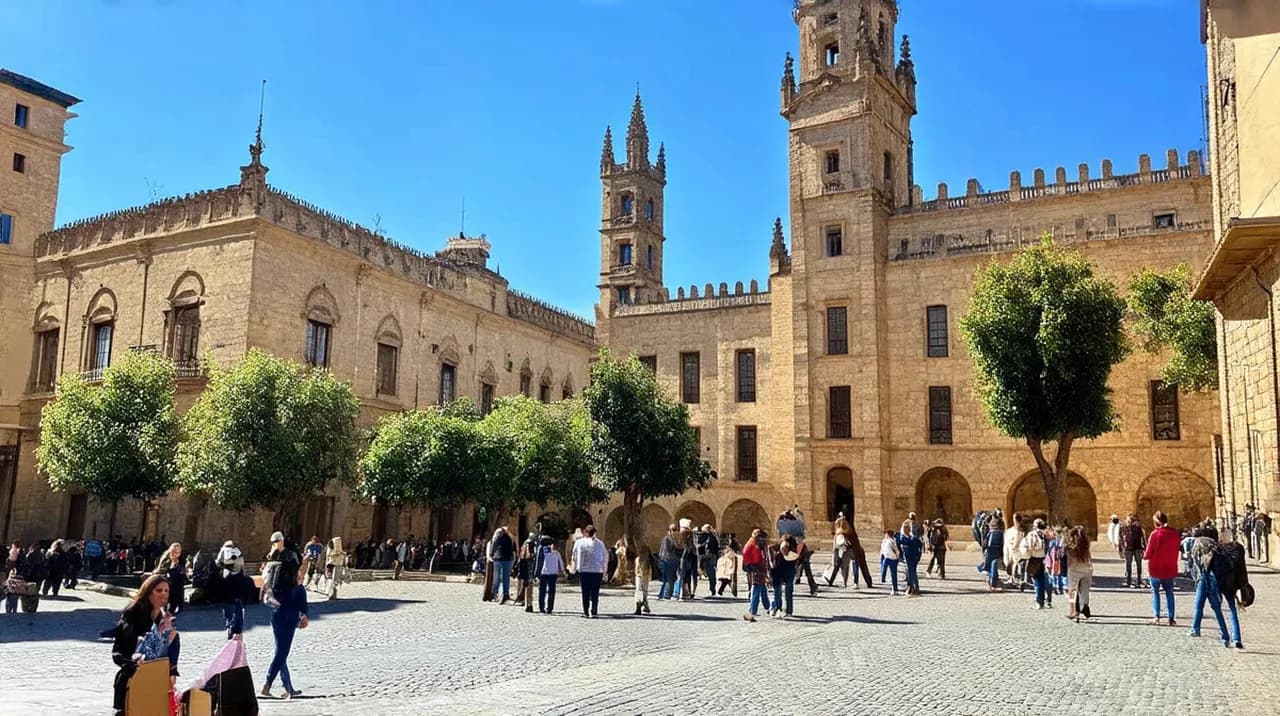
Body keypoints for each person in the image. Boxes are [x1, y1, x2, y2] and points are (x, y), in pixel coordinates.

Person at [111, 574, 180, 716]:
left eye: (166, 591)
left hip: (156, 678)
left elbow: (170, 646)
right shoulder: (133, 613)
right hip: (133, 678)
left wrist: (172, 671)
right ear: (148, 593)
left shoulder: (164, 617)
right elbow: (118, 651)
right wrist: (133, 665)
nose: (164, 594)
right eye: (159, 590)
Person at [262, 532, 308, 699]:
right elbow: (301, 602)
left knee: (280, 651)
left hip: (275, 613)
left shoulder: (275, 570)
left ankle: (288, 688)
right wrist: (304, 616)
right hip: (289, 617)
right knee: (282, 653)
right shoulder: (296, 584)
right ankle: (267, 685)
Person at [1144, 510, 1181, 626]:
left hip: (1155, 567)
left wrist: (1145, 556)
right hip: (1169, 567)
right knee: (1169, 592)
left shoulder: (1155, 534)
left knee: (1155, 592)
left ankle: (1156, 616)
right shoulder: (1174, 533)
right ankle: (1171, 618)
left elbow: (1148, 553)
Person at [215, 541, 254, 640]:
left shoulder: (238, 562)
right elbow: (218, 565)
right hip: (229, 598)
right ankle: (233, 637)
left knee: (236, 621)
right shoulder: (223, 568)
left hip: (236, 597)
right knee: (231, 620)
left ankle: (235, 637)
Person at [572, 525, 607, 618]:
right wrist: (604, 570)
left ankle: (586, 611)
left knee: (585, 591)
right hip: (597, 570)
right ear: (594, 533)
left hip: (584, 570)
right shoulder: (600, 543)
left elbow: (574, 555)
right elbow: (605, 557)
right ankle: (594, 610)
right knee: (595, 591)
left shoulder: (579, 542)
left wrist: (575, 566)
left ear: (585, 532)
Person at [1020, 518, 1050, 609]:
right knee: (1042, 580)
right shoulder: (1046, 534)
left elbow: (1029, 546)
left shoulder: (1033, 534)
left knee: (1037, 581)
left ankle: (1039, 602)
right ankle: (1045, 600)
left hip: (1034, 559)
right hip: (1043, 558)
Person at [1063, 525, 1092, 622]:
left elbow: (1064, 555)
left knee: (1073, 592)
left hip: (1074, 570)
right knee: (1084, 590)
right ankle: (1084, 605)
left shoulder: (1070, 546)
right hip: (1086, 569)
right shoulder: (1086, 545)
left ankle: (1074, 612)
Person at [741, 529, 771, 622]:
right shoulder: (755, 544)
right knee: (756, 590)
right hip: (756, 569)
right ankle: (752, 610)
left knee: (763, 589)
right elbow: (753, 556)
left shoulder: (756, 544)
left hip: (758, 568)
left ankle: (768, 607)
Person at [152, 542, 187, 614]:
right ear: (171, 551)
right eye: (175, 551)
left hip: (178, 582)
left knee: (178, 589)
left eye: (178, 552)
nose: (177, 553)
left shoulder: (182, 560)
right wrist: (171, 566)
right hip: (168, 582)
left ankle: (175, 608)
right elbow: (160, 570)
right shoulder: (166, 559)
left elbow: (183, 570)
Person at [487, 526, 515, 604]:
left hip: (498, 558)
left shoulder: (497, 537)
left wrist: (491, 555)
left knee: (497, 577)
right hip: (507, 559)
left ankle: (495, 593)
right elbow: (512, 545)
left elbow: (493, 546)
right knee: (505, 578)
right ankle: (505, 594)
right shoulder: (509, 538)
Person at [1120, 513, 1147, 588]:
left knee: (1139, 565)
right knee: (1128, 565)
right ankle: (1128, 581)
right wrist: (1122, 548)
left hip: (1138, 547)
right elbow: (1121, 538)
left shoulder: (1139, 528)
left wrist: (1145, 548)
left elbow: (1143, 538)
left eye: (1131, 520)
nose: (1130, 522)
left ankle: (1139, 580)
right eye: (1128, 520)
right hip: (1128, 548)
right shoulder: (1124, 528)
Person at [827, 514, 854, 588]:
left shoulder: (841, 531)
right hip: (840, 549)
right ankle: (833, 580)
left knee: (842, 567)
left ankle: (841, 581)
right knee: (839, 566)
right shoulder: (840, 531)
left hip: (842, 550)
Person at [538, 539, 565, 614]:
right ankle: (547, 608)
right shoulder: (556, 553)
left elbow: (539, 560)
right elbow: (561, 562)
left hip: (547, 573)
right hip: (549, 573)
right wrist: (563, 571)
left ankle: (545, 607)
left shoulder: (545, 551)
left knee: (545, 591)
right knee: (550, 591)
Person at [897, 522, 924, 596]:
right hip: (906, 558)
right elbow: (898, 547)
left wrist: (918, 556)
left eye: (907, 528)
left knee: (912, 572)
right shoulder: (901, 538)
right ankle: (910, 586)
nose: (906, 530)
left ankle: (915, 588)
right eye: (904, 528)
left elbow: (919, 546)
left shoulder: (913, 538)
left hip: (913, 558)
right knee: (908, 572)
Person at [657, 525, 679, 600]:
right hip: (668, 560)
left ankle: (664, 594)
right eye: (673, 530)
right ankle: (666, 594)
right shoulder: (667, 539)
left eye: (676, 530)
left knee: (671, 578)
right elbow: (666, 551)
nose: (675, 532)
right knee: (668, 579)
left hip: (672, 561)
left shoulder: (673, 539)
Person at [697, 525, 720, 597]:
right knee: (711, 572)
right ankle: (712, 588)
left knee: (708, 571)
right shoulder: (714, 536)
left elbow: (699, 546)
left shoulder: (703, 536)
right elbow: (717, 547)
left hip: (706, 555)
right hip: (712, 555)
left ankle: (712, 588)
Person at [983, 515, 1005, 591]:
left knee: (991, 568)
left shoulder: (990, 533)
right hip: (996, 552)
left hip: (989, 552)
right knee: (993, 567)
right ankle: (993, 585)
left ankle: (991, 583)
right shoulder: (1000, 533)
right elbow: (1002, 544)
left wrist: (985, 551)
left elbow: (984, 543)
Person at [678, 526, 698, 600]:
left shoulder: (684, 544)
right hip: (688, 564)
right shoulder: (691, 545)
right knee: (687, 579)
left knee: (683, 579)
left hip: (684, 564)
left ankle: (684, 593)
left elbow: (683, 556)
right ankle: (688, 593)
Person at [633, 543, 653, 615]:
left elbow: (636, 569)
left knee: (638, 590)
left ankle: (638, 604)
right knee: (645, 591)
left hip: (639, 576)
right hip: (645, 576)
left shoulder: (638, 559)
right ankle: (645, 604)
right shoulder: (648, 560)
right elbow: (650, 570)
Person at [879, 530, 901, 595]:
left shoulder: (892, 541)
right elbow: (882, 549)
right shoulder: (885, 541)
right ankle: (883, 578)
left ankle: (895, 589)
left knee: (893, 574)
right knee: (884, 570)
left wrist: (897, 558)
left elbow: (896, 550)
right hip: (886, 558)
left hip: (893, 559)